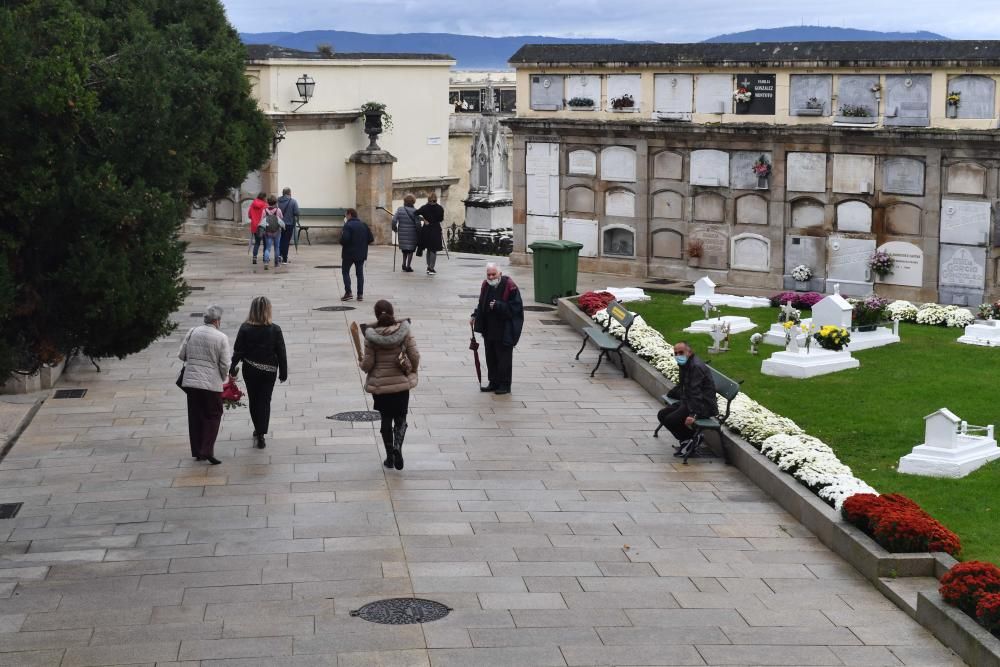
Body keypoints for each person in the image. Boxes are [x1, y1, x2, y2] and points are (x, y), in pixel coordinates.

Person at [360, 300, 419, 470]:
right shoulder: (405, 331)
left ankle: (389, 458)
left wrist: (362, 364)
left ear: (376, 315)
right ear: (392, 312)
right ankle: (397, 447)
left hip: (381, 386)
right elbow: (414, 355)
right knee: (400, 418)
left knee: (385, 419)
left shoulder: (371, 336)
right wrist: (412, 370)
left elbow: (368, 364)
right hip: (400, 384)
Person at [229, 296, 288, 449]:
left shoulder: (245, 328)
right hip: (269, 371)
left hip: (250, 369)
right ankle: (262, 431)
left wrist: (232, 369)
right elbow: (281, 352)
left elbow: (238, 351)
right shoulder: (275, 329)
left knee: (254, 400)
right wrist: (283, 372)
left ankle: (258, 430)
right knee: (265, 400)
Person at [178, 305, 232, 465]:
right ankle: (207, 449)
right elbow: (225, 364)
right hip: (210, 383)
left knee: (195, 415)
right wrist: (223, 378)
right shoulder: (221, 337)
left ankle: (197, 451)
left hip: (191, 382)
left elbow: (181, 355)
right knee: (214, 414)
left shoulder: (192, 331)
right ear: (217, 321)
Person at [470, 263, 523, 395]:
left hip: (504, 329)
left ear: (500, 274)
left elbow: (516, 309)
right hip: (489, 329)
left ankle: (505, 384)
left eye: (494, 274)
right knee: (491, 357)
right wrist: (475, 315)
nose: (491, 277)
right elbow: (481, 302)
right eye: (489, 274)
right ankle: (493, 382)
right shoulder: (486, 285)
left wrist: (499, 305)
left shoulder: (510, 286)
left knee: (504, 358)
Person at [657, 341, 718, 455]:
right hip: (689, 401)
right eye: (676, 353)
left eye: (681, 352)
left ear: (689, 352)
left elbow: (696, 393)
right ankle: (687, 440)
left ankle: (693, 438)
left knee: (671, 419)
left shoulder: (695, 367)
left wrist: (693, 415)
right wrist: (673, 394)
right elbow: (684, 386)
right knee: (662, 414)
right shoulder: (684, 365)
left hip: (703, 406)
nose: (678, 355)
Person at [340, 208, 374, 302]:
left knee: (345, 271)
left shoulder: (348, 225)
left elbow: (345, 239)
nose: (345, 217)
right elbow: (371, 239)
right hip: (361, 253)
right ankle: (360, 295)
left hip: (349, 254)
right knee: (359, 274)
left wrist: (341, 240)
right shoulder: (364, 225)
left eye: (346, 215)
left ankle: (348, 292)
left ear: (350, 215)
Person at [415, 193, 445, 275]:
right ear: (436, 199)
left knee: (429, 249)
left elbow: (415, 213)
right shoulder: (440, 208)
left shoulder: (424, 207)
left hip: (426, 229)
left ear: (428, 199)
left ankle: (429, 267)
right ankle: (431, 268)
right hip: (435, 229)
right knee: (433, 249)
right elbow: (441, 219)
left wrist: (423, 220)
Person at [391, 194, 420, 273]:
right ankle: (408, 266)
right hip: (412, 233)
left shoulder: (400, 209)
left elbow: (394, 220)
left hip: (402, 233)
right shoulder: (415, 211)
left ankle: (403, 264)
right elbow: (418, 224)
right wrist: (419, 232)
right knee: (411, 250)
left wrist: (394, 228)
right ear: (413, 202)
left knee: (405, 249)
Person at [277, 187, 300, 265]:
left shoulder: (277, 201)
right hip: (289, 224)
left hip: (279, 224)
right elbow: (297, 212)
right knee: (286, 241)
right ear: (289, 193)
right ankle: (284, 259)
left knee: (280, 240)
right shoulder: (293, 201)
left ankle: (279, 255)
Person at [261, 195, 285, 270]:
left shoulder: (264, 211)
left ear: (268, 202)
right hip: (277, 232)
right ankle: (276, 263)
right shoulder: (278, 210)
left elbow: (262, 221)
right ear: (275, 202)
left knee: (267, 248)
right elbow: (281, 219)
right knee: (276, 247)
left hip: (268, 232)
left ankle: (266, 262)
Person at [247, 192, 267, 266]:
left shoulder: (253, 204)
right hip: (263, 226)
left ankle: (254, 258)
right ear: (264, 197)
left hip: (255, 226)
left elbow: (249, 215)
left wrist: (254, 218)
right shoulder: (265, 205)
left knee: (257, 243)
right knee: (265, 243)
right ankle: (265, 257)